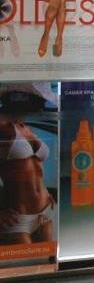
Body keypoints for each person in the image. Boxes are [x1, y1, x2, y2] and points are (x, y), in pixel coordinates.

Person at [0, 85, 54, 245]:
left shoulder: (24, 126)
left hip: (45, 212)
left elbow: (32, 168)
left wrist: (47, 192)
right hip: (17, 219)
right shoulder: (2, 126)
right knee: (26, 261)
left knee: (47, 259)